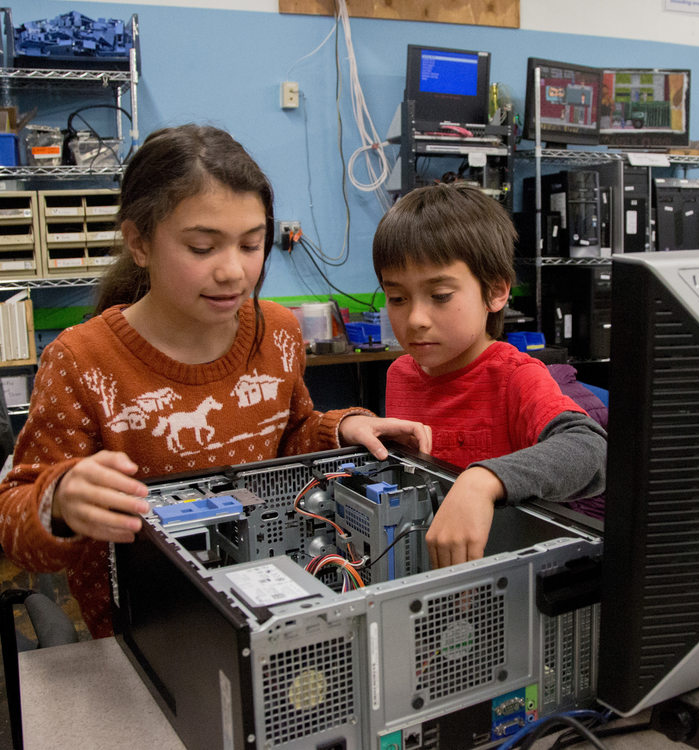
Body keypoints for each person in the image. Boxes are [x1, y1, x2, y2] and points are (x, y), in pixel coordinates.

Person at [0, 124, 431, 638]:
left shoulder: (279, 332)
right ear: (138, 242)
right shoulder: (80, 360)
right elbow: (14, 523)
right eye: (203, 248)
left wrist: (339, 432)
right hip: (147, 635)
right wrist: (61, 500)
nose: (234, 271)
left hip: (272, 615)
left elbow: (288, 436)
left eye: (251, 245)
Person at [371, 183, 607, 569]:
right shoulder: (400, 373)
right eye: (397, 298)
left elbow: (590, 450)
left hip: (501, 578)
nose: (415, 319)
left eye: (441, 295)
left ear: (496, 292)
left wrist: (482, 480)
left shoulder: (515, 378)